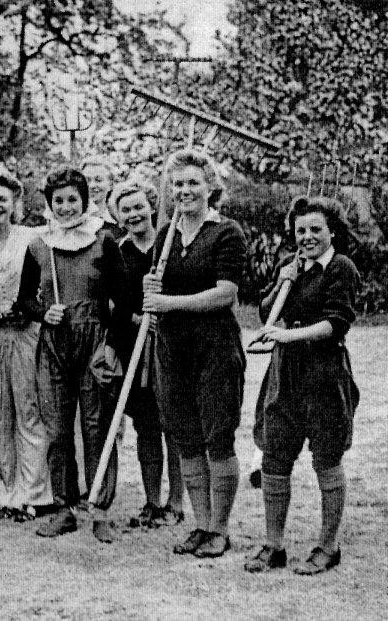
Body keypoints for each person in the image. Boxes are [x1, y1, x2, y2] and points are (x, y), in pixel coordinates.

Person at [245, 197, 360, 575]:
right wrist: (283, 282)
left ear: (331, 231)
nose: (307, 237)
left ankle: (328, 546)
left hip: (324, 375)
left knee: (327, 458)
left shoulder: (340, 268)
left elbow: (335, 323)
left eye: (315, 229)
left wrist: (288, 336)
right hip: (285, 375)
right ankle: (273, 545)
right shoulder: (289, 267)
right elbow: (266, 312)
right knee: (274, 456)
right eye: (300, 231)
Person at [142, 149, 247, 558]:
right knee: (186, 439)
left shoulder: (226, 232)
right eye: (178, 184)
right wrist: (152, 294)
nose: (184, 190)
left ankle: (219, 528)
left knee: (217, 438)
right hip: (173, 350)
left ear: (209, 188)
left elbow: (226, 293)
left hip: (215, 349)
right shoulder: (167, 235)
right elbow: (154, 289)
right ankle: (200, 525)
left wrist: (169, 303)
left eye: (192, 183)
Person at [26, 166, 123, 544]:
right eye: (59, 201)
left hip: (94, 340)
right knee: (57, 427)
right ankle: (64, 507)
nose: (66, 207)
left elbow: (123, 298)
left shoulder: (103, 240)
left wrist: (111, 344)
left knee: (97, 425)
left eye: (72, 199)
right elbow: (24, 299)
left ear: (84, 201)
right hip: (54, 344)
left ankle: (100, 509)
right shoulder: (38, 245)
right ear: (49, 204)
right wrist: (41, 312)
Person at [0, 167, 50, 521]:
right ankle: (2, 491)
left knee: (28, 406)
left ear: (15, 203)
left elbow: (48, 284)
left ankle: (33, 491)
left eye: (3, 199)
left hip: (26, 332)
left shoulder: (34, 238)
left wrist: (29, 309)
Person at [109, 179, 184, 528]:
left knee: (174, 425)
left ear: (152, 206)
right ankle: (152, 500)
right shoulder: (119, 252)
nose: (134, 214)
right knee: (146, 427)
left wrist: (162, 314)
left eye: (139, 206)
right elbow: (115, 305)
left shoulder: (171, 242)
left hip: (169, 345)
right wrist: (138, 317)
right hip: (135, 349)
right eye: (126, 209)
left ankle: (176, 502)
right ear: (118, 216)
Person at [80, 155, 120, 234]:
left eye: (98, 180)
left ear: (111, 184)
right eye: (87, 180)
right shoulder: (72, 220)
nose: (91, 186)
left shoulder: (119, 221)